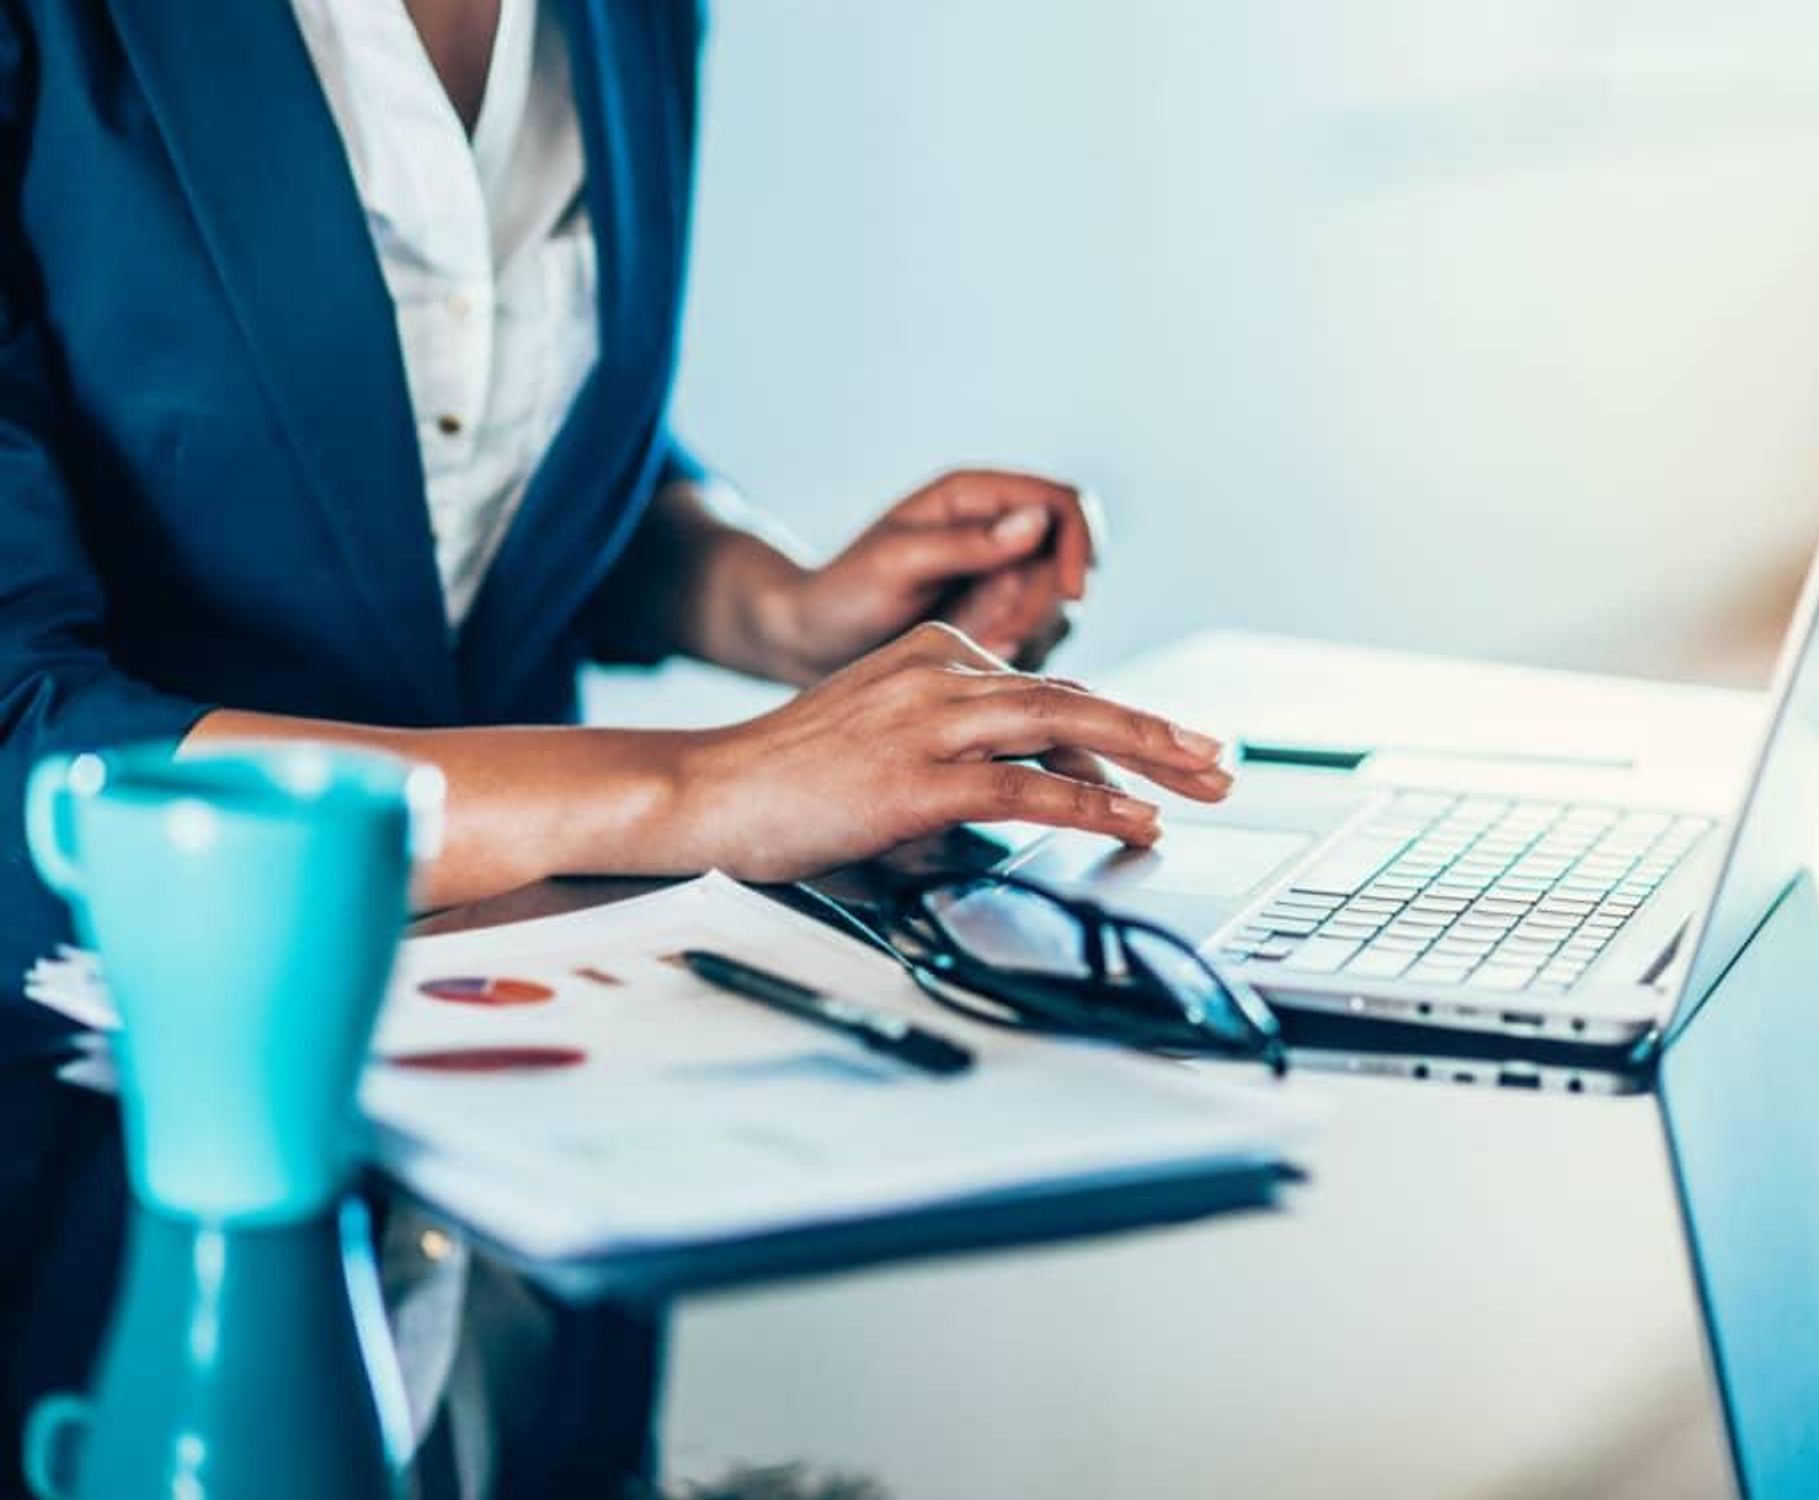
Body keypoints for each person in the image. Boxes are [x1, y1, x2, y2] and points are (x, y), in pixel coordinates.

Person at [0, 0, 1232, 1493]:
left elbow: (459, 424)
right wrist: (702, 788)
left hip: (518, 1111)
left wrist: (776, 604)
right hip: (109, 1156)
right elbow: (23, 735)